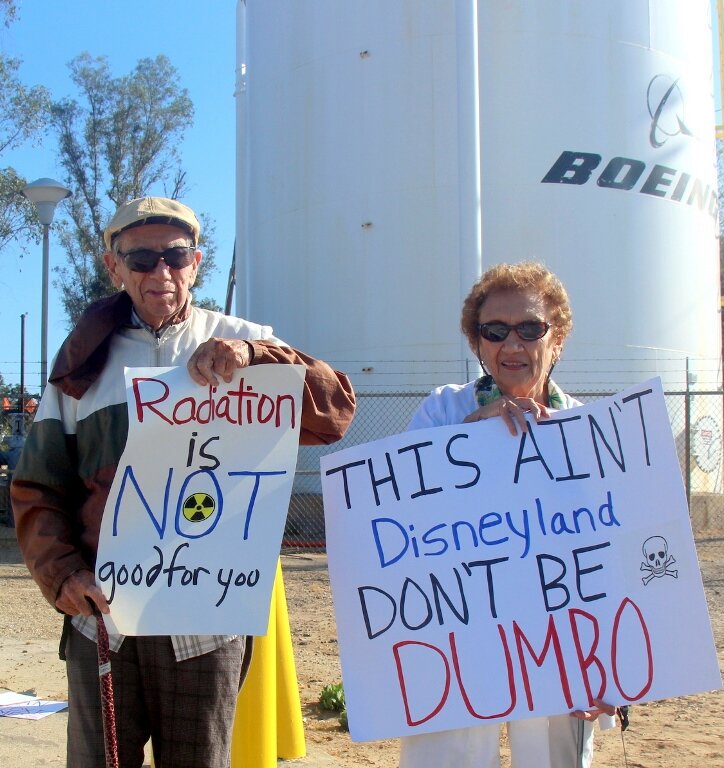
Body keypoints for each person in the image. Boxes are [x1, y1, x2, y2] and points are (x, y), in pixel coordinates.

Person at [11, 196, 356, 768]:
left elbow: (335, 412)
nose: (161, 273)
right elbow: (37, 487)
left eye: (175, 256)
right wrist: (63, 575)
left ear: (197, 262)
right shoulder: (80, 366)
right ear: (113, 266)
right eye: (141, 259)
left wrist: (255, 356)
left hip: (207, 617)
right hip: (105, 614)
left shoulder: (244, 338)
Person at [399, 262, 619, 768]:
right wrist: (475, 433)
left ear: (557, 337)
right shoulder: (444, 412)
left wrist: (611, 665)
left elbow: (612, 556)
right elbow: (401, 509)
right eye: (494, 331)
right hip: (455, 631)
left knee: (551, 758)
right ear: (477, 342)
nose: (512, 344)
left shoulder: (591, 429)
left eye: (530, 328)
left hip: (558, 642)